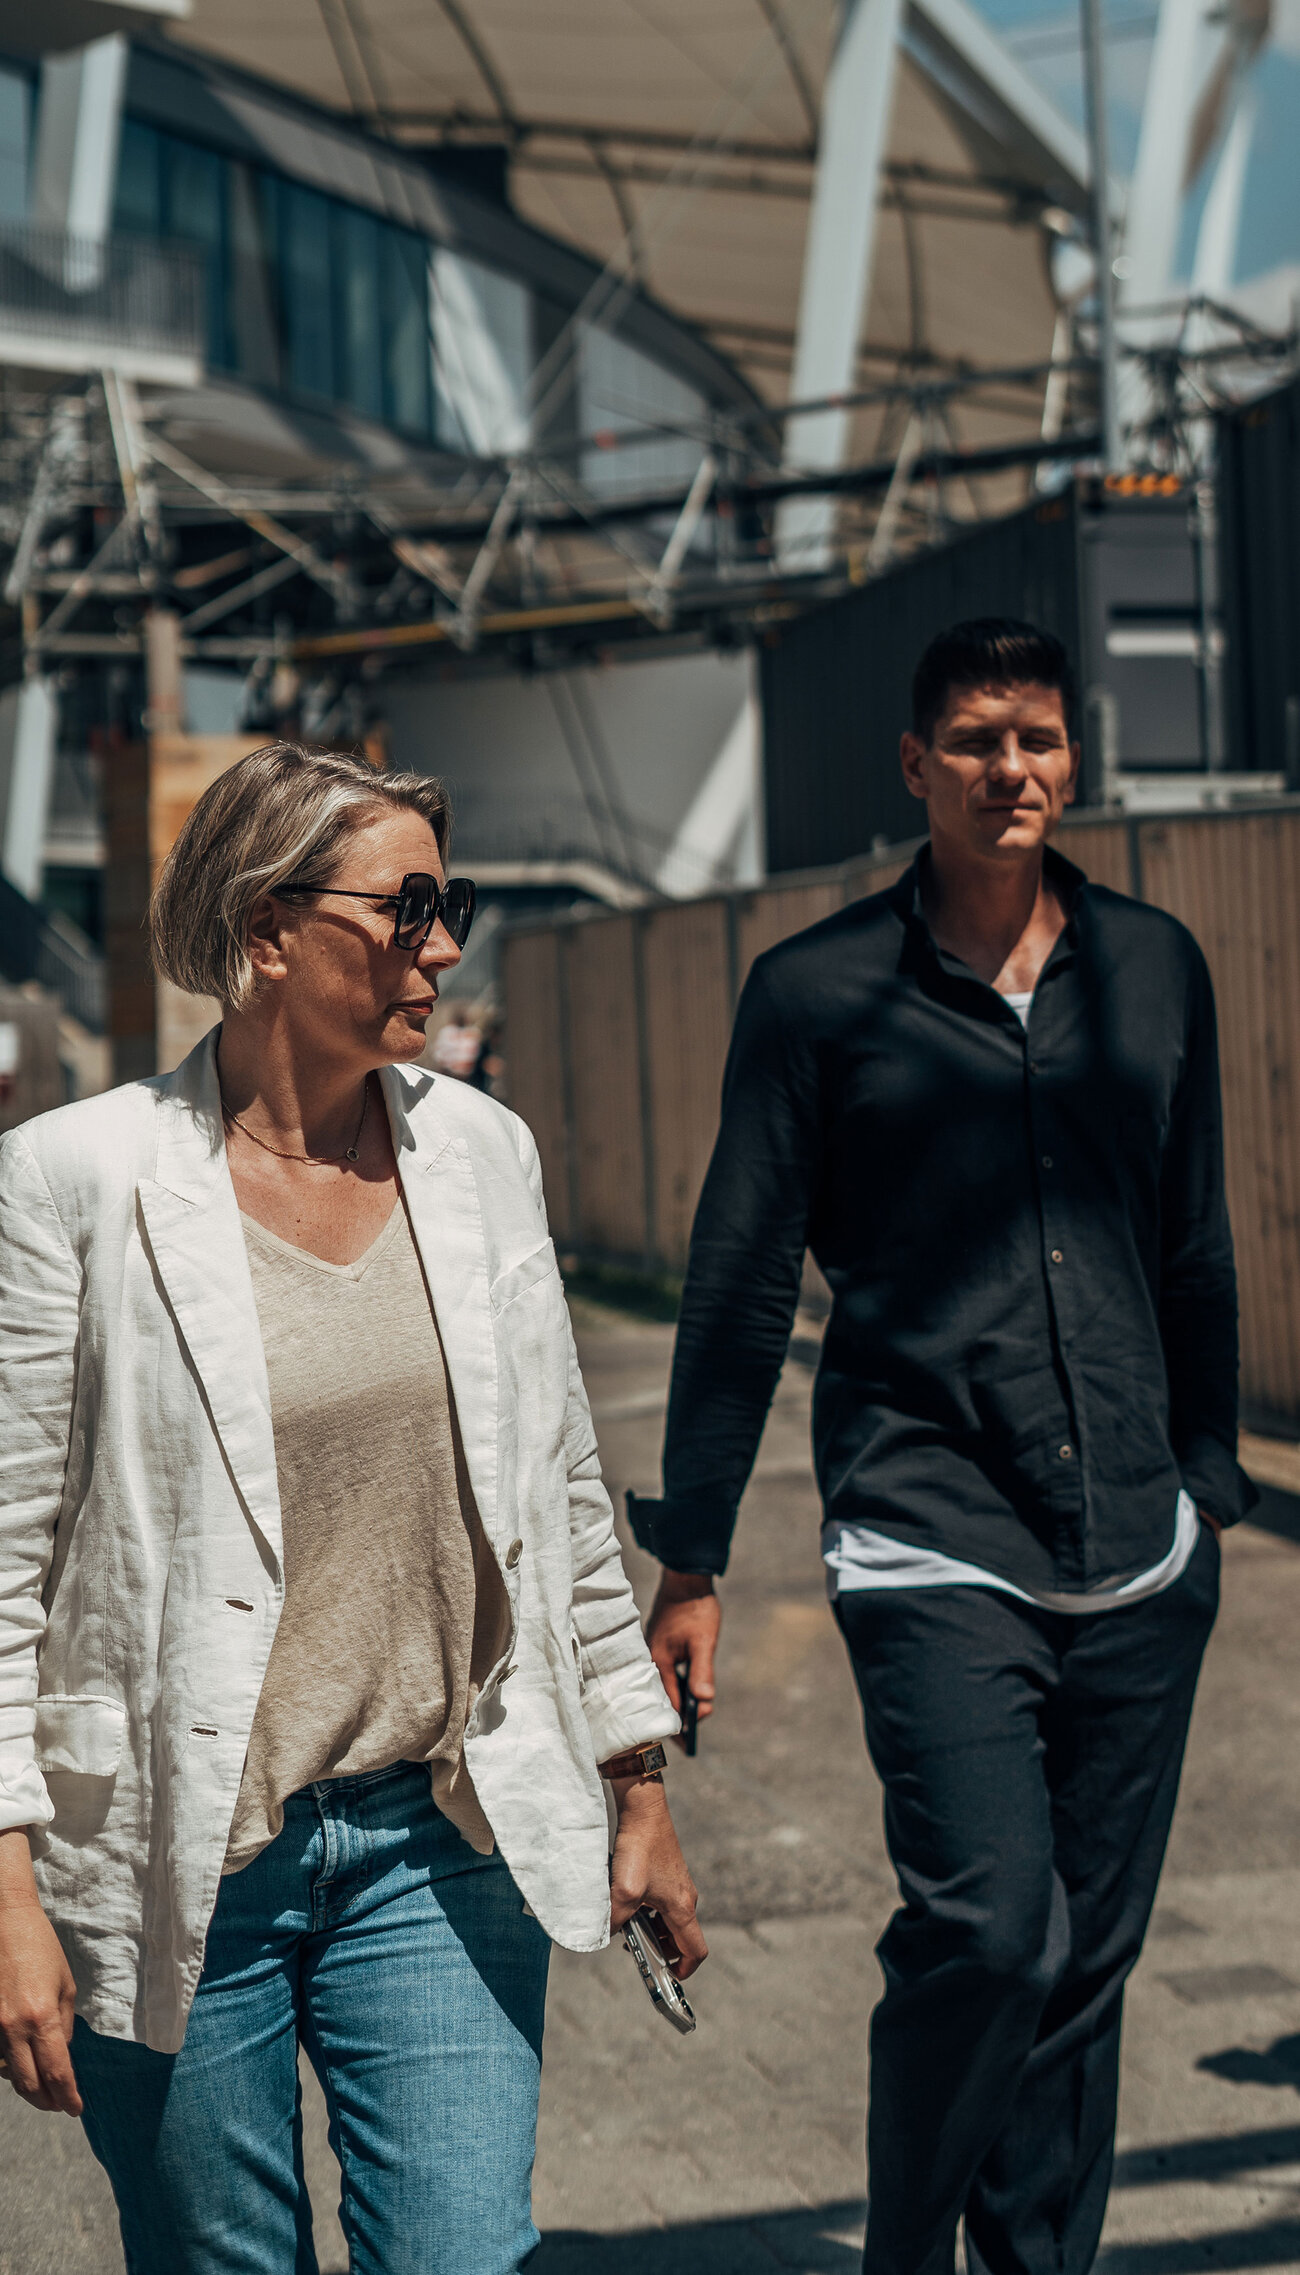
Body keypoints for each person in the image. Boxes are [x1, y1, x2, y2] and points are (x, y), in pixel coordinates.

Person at [0, 743, 704, 2275]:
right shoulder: (72, 1181)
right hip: (185, 1853)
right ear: (269, 929)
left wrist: (637, 1786)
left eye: (453, 907)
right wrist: (6, 1894)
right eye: (408, 910)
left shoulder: (482, 1153)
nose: (442, 949)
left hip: (438, 1832)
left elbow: (560, 1494)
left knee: (463, 2255)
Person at [635, 620, 1252, 2275]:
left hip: (1140, 1543)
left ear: (1072, 758)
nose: (1010, 769)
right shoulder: (816, 994)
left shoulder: (1155, 967)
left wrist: (1209, 1482)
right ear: (916, 765)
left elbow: (1194, 1242)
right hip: (931, 1526)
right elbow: (742, 1279)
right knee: (991, 1928)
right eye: (976, 740)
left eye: (1036, 738)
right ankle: (909, 2253)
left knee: (1084, 1968)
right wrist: (690, 1558)